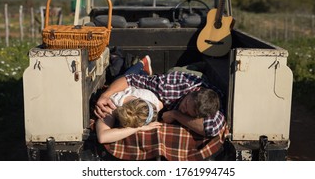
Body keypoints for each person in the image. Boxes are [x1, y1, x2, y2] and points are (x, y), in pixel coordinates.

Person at [95, 56, 225, 138]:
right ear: (192, 92)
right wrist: (105, 95)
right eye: (185, 105)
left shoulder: (213, 104)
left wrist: (176, 115)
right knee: (124, 76)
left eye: (189, 114)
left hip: (205, 84)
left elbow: (211, 128)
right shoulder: (168, 86)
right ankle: (141, 65)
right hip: (179, 74)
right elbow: (129, 79)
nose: (184, 110)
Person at [95, 56, 162, 144]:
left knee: (131, 74)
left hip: (136, 83)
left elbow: (160, 105)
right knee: (124, 75)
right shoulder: (112, 105)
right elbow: (103, 137)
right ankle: (139, 64)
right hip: (123, 85)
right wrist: (138, 128)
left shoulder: (152, 102)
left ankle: (140, 65)